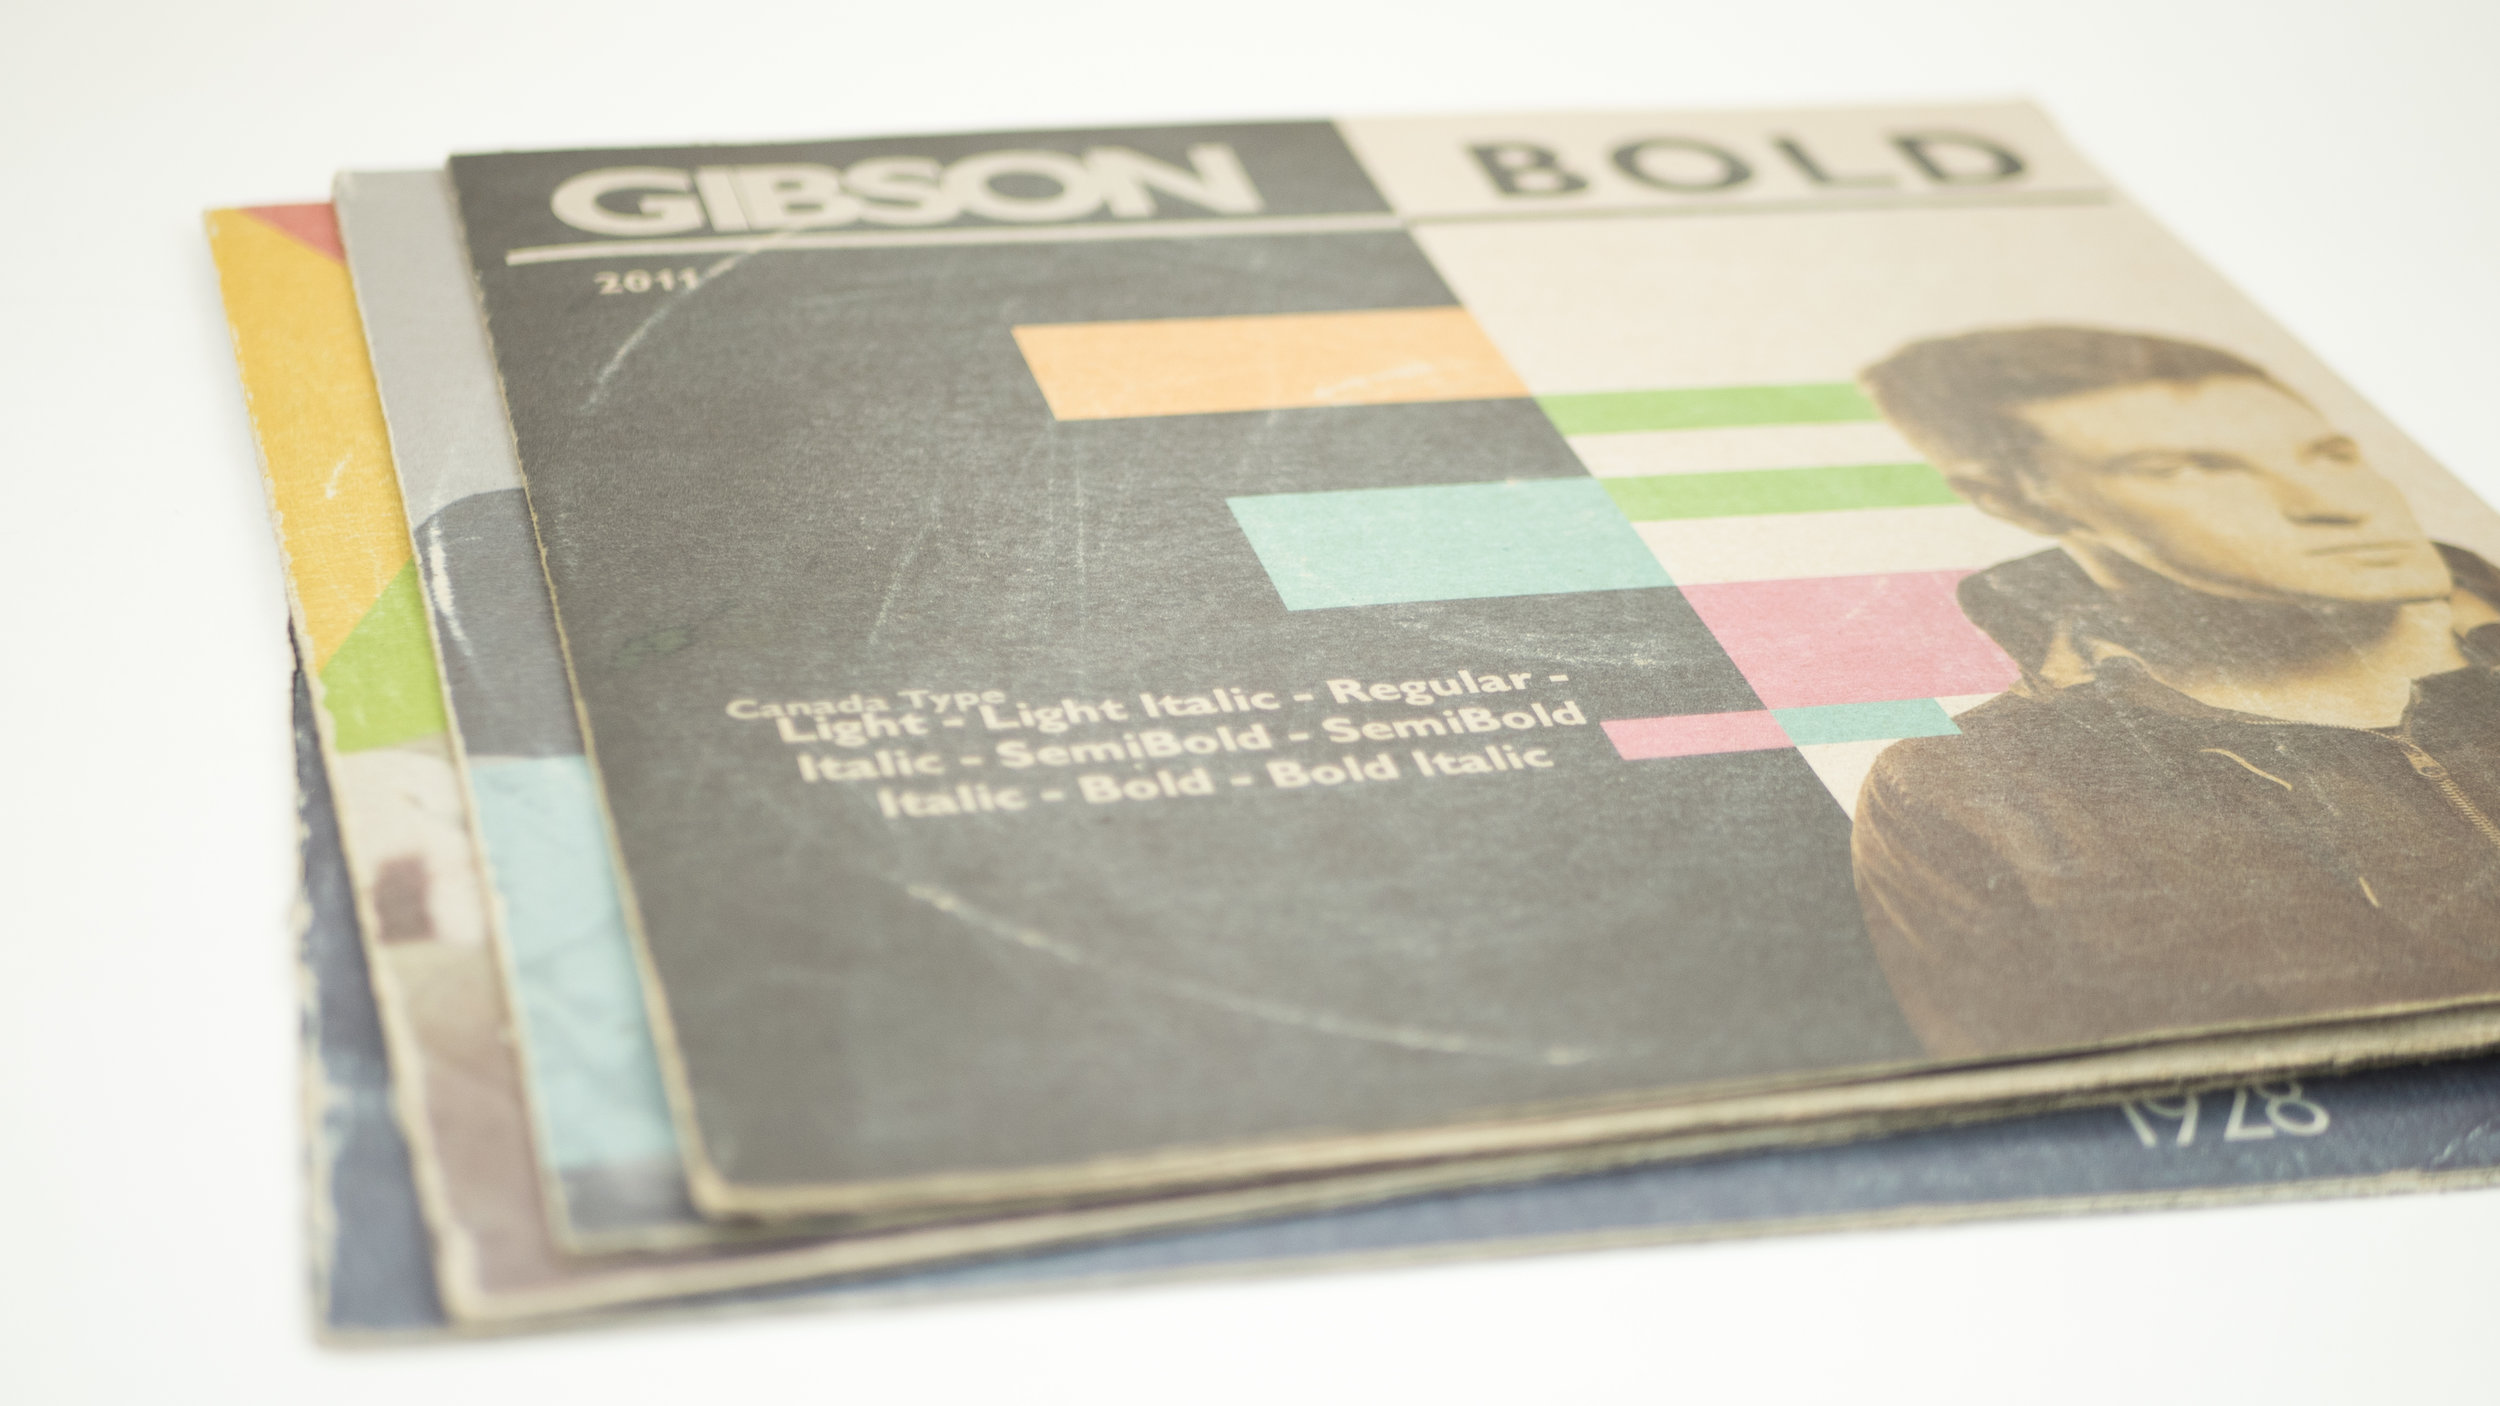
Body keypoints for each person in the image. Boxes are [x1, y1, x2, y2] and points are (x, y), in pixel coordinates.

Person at [1852, 326, 2500, 1057]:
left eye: (2330, 455)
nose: (2331, 503)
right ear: (2015, 500)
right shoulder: (1969, 785)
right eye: (2189, 469)